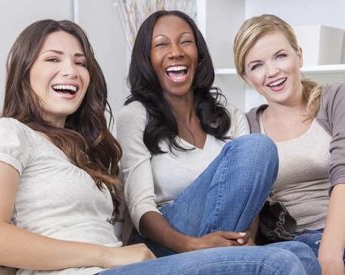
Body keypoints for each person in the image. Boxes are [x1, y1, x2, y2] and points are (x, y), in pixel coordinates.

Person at [0, 18, 318, 275]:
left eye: (80, 63)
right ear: (24, 72)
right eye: (53, 59)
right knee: (278, 264)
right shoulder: (11, 133)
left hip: (123, 263)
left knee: (301, 254)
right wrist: (109, 256)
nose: (71, 71)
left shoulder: (85, 149)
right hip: (91, 268)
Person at [116, 9, 321, 275]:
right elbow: (140, 209)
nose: (175, 51)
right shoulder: (135, 115)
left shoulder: (229, 116)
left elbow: (250, 197)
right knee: (258, 148)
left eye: (185, 41)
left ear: (198, 54)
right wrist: (191, 245)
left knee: (303, 255)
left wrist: (248, 238)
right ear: (146, 59)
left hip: (225, 237)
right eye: (161, 44)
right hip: (167, 241)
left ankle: (223, 260)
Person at [234, 14, 345, 275]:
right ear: (246, 77)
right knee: (299, 259)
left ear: (299, 55)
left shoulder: (334, 99)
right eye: (257, 65)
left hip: (337, 236)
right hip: (288, 244)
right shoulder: (247, 125)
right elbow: (248, 197)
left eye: (280, 56)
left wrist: (330, 255)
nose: (272, 72)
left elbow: (343, 173)